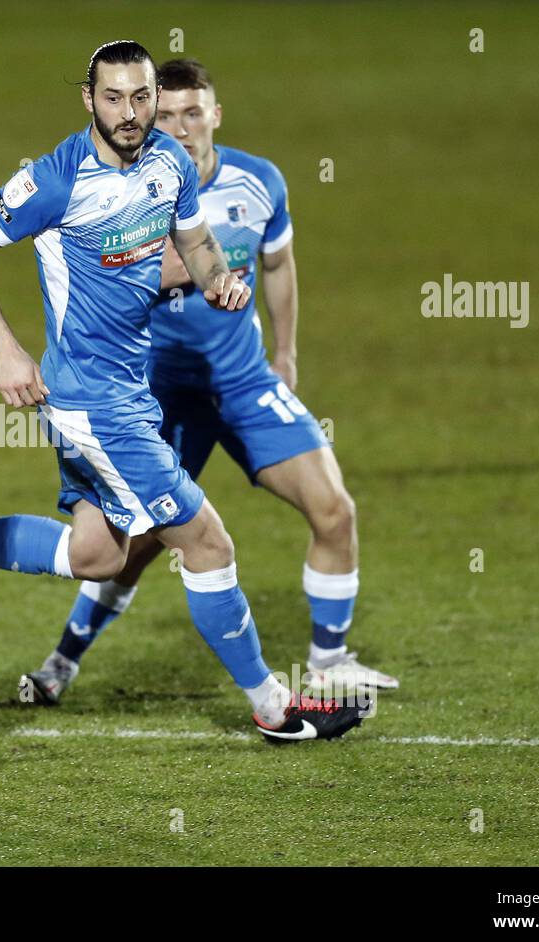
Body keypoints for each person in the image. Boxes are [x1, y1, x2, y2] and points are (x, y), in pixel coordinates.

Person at [0, 41, 365, 743]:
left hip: (130, 395)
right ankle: (273, 708)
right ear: (89, 99)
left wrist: (217, 279)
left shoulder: (167, 162)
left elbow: (197, 243)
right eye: (114, 98)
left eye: (142, 98)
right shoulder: (57, 179)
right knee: (206, 544)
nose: (131, 113)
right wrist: (6, 349)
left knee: (97, 555)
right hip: (92, 403)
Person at [22, 58, 398, 705]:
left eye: (192, 113)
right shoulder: (129, 191)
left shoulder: (260, 183)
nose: (179, 126)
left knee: (334, 510)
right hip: (160, 392)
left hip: (246, 381)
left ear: (215, 115)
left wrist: (288, 354)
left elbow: (278, 265)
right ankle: (62, 660)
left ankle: (330, 659)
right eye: (164, 115)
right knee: (131, 545)